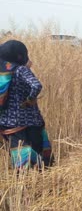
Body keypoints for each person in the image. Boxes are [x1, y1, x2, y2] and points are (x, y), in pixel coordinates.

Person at [0, 40, 53, 169]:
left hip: (9, 121)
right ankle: (41, 172)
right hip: (29, 119)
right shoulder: (21, 70)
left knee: (19, 151)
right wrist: (30, 99)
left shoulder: (3, 73)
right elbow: (36, 85)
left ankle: (24, 181)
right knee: (37, 148)